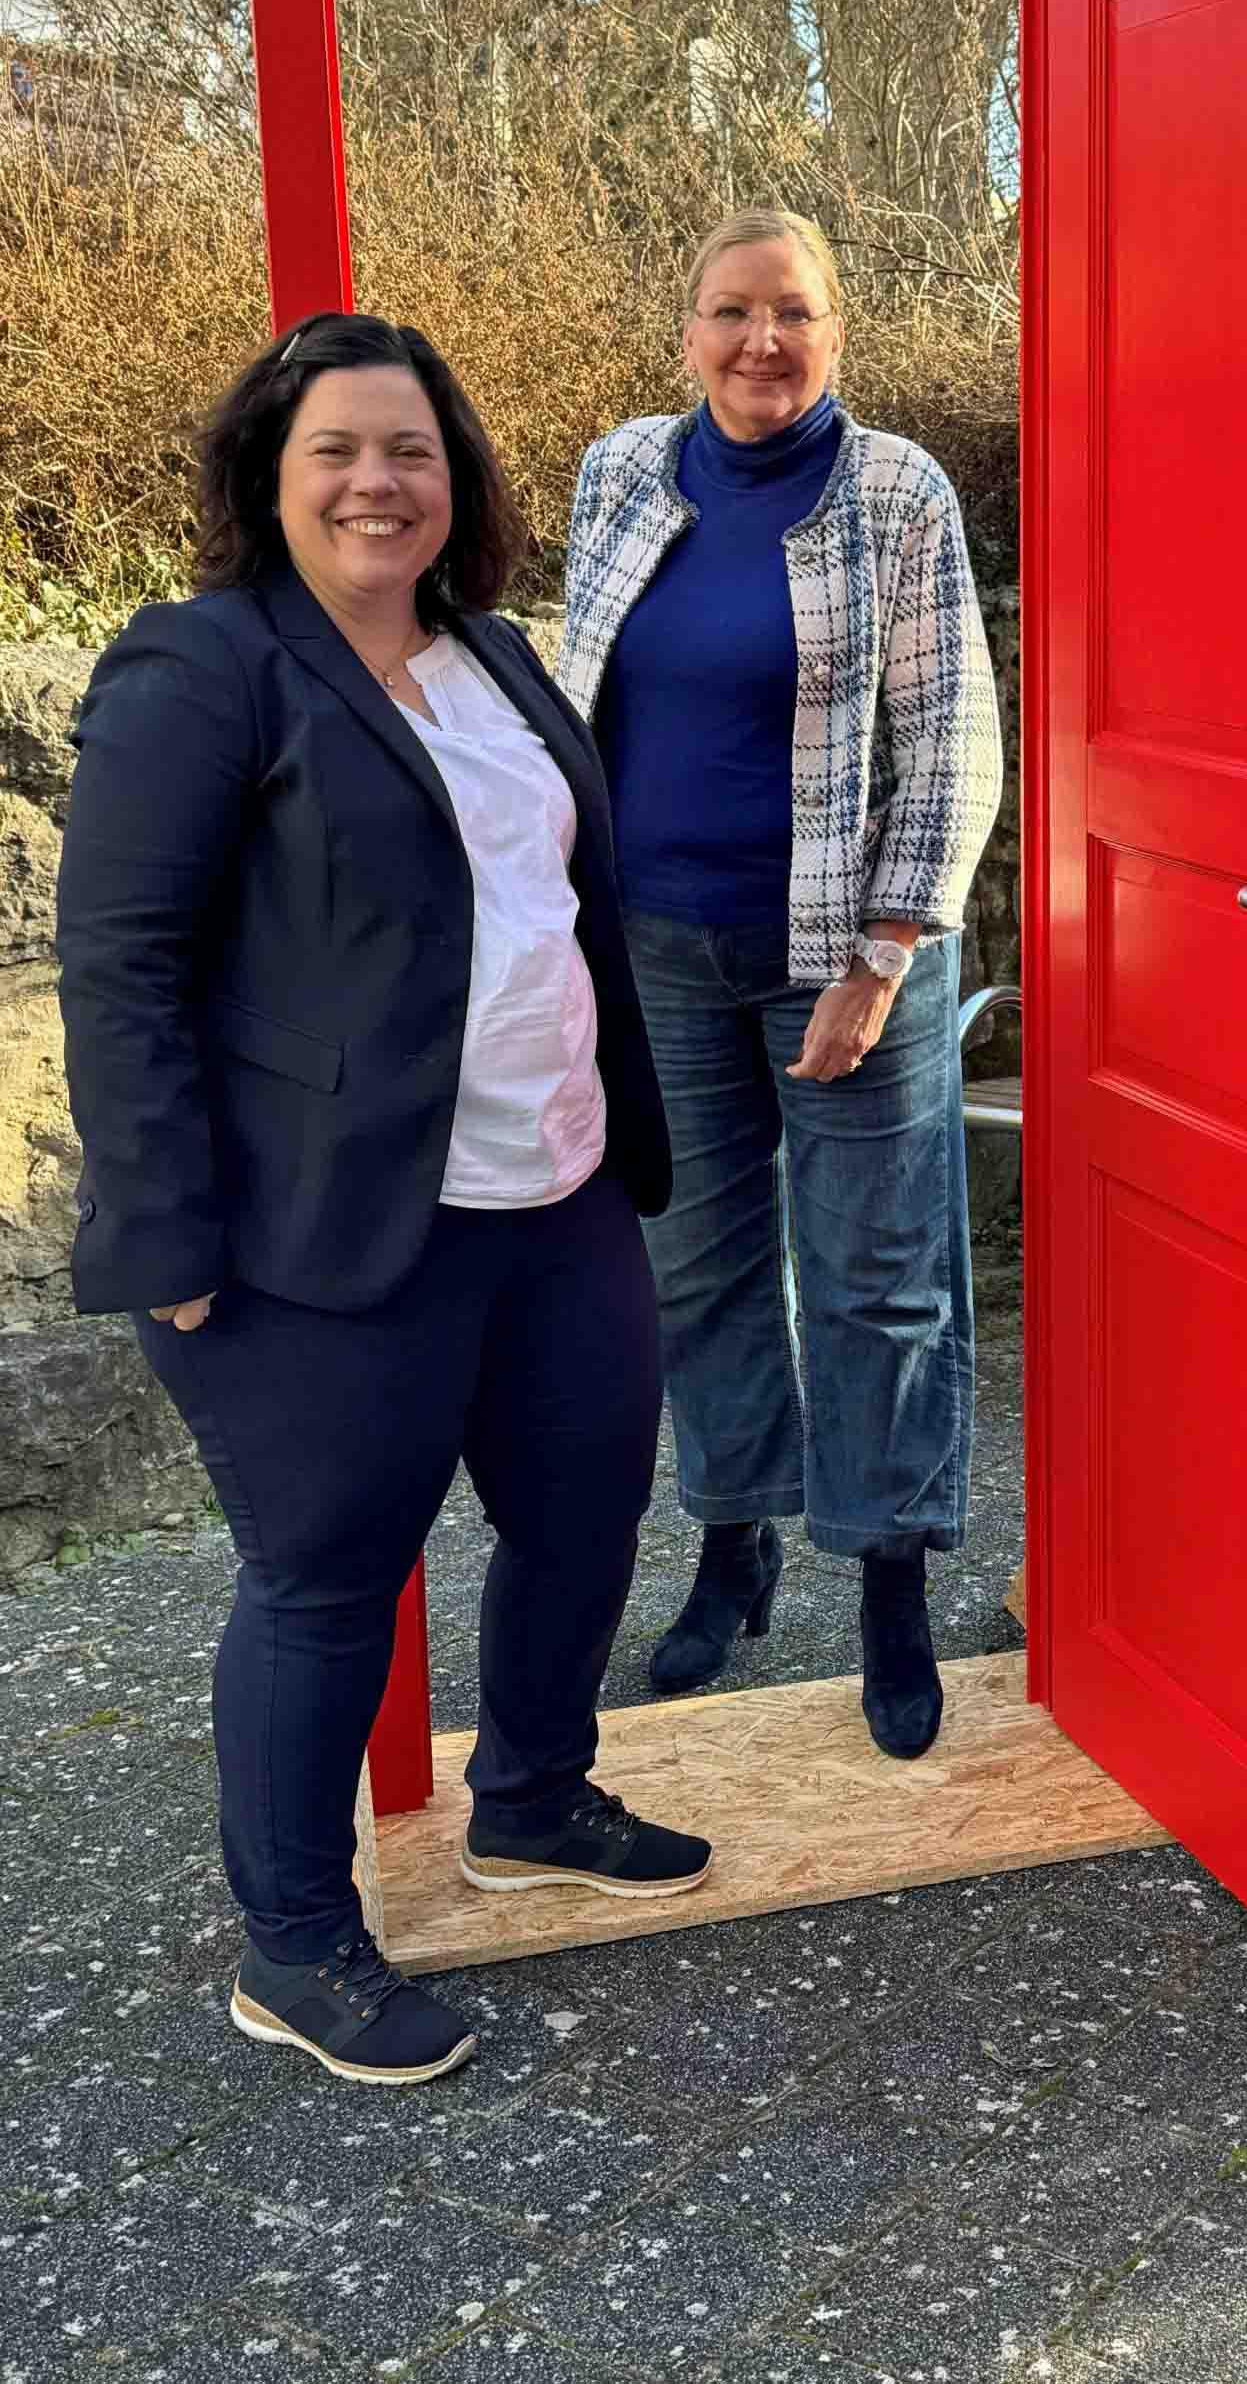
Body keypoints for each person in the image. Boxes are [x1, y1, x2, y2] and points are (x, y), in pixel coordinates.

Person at [57, 314, 713, 2091]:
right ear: (272, 475)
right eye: (337, 448)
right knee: (328, 1577)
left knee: (586, 1512)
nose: (376, 481)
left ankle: (533, 1794)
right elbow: (117, 966)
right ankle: (296, 1942)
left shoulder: (494, 651)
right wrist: (167, 1231)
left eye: (409, 451)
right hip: (323, 1227)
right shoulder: (205, 667)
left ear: (457, 480)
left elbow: (552, 901)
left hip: (554, 1181)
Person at [560, 210, 1002, 1760]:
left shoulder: (894, 491)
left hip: (844, 952)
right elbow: (578, 698)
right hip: (656, 946)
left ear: (837, 330)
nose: (763, 342)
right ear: (688, 326)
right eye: (732, 312)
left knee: (880, 1281)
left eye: (793, 314)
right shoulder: (620, 470)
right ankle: (735, 1541)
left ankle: (890, 1580)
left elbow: (951, 735)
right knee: (697, 1268)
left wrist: (887, 952)